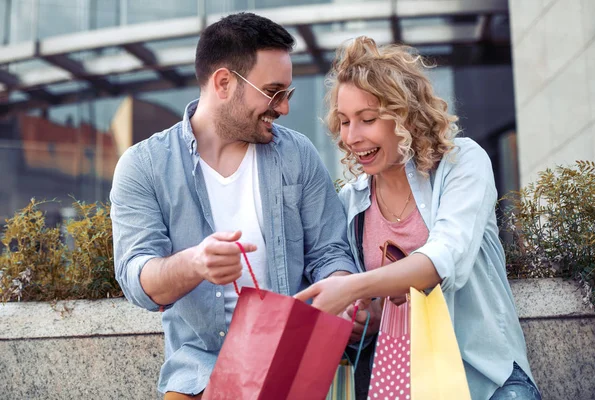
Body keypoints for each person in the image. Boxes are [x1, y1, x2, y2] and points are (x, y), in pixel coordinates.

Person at [110, 13, 357, 399]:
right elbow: (137, 280)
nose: (285, 108)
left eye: (288, 94)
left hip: (293, 365)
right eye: (274, 92)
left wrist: (343, 293)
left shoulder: (298, 155)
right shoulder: (145, 166)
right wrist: (195, 263)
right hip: (198, 376)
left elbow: (330, 251)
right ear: (224, 83)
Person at [295, 36, 541, 400]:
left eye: (367, 119)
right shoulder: (351, 203)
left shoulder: (462, 164)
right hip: (403, 385)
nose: (351, 136)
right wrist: (367, 315)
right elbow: (376, 304)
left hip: (485, 378)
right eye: (344, 122)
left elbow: (441, 259)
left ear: (405, 115)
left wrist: (351, 287)